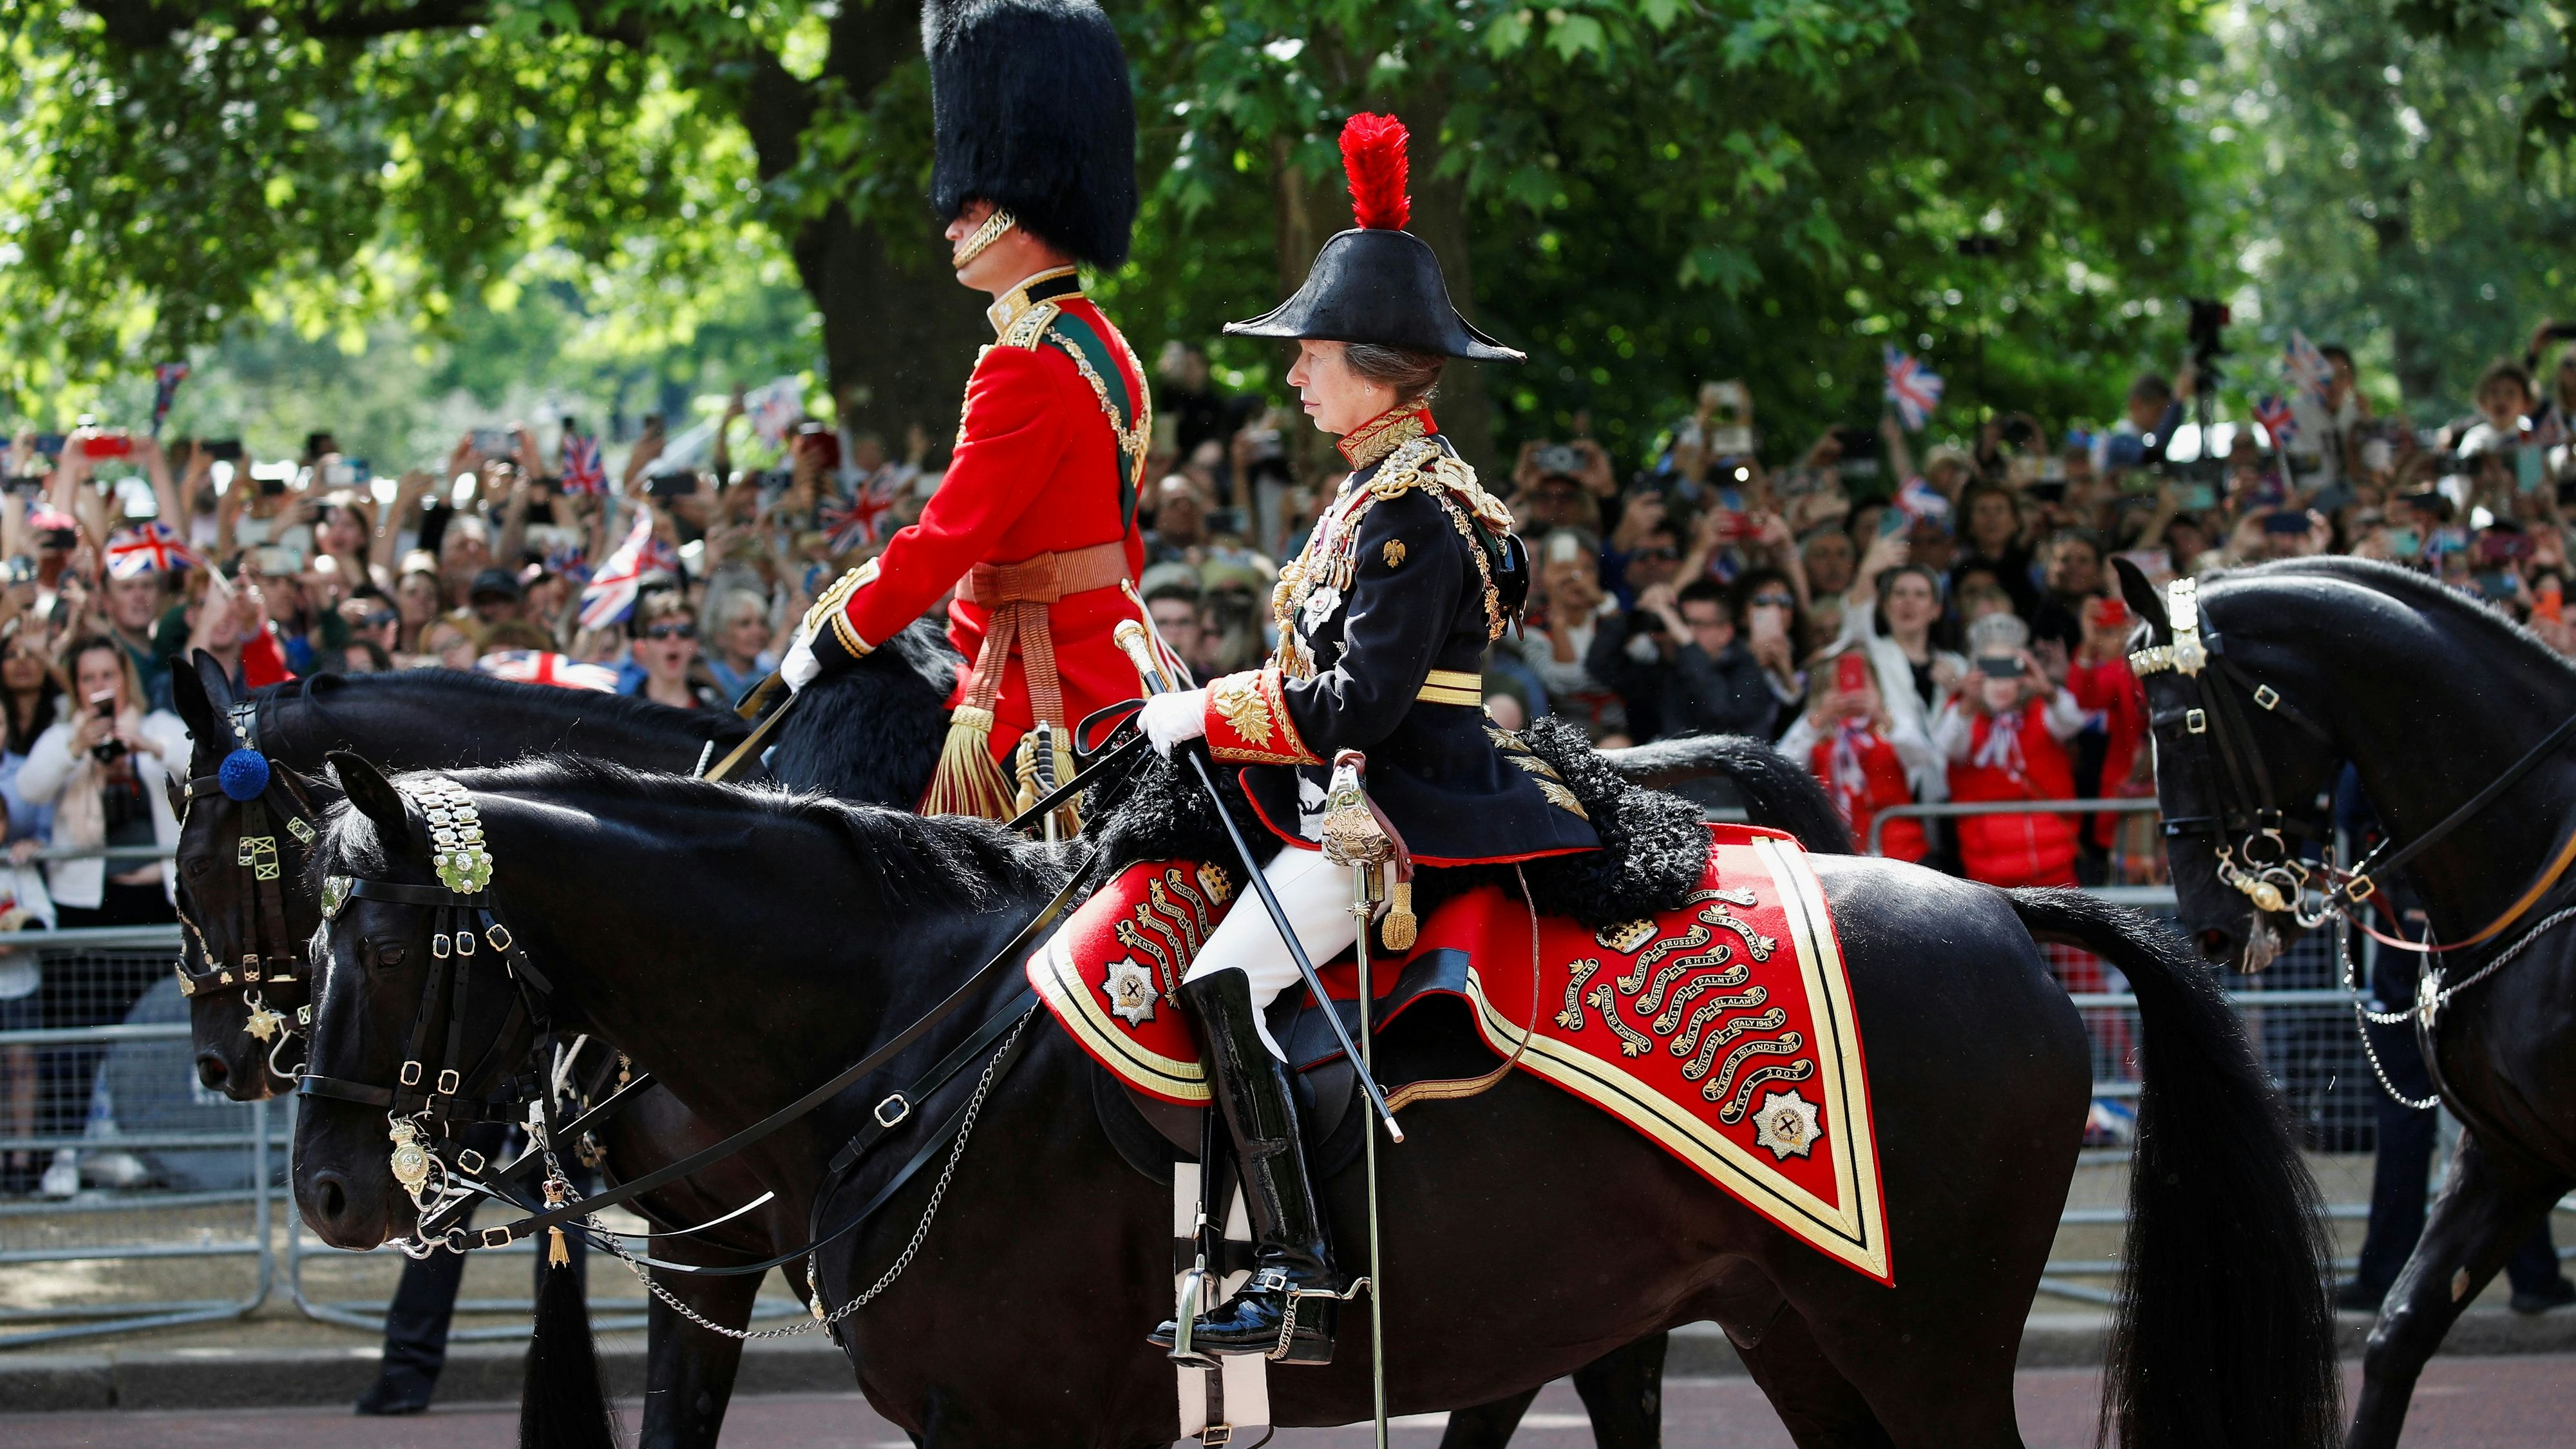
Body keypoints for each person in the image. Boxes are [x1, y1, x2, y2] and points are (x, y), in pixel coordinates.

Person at [1136, 111, 1586, 1364]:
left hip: (1391, 802)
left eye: (1312, 355)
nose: (1293, 375)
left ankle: (1293, 1273)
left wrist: (1201, 709)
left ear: (1374, 365)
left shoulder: (1409, 516)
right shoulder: (1378, 489)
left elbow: (1352, 708)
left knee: (1220, 981)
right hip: (1354, 783)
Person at [784, 0, 1150, 824]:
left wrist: (835, 636)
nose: (951, 223)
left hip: (1037, 687)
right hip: (1114, 656)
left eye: (972, 208)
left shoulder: (1025, 362)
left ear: (1026, 210)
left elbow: (947, 541)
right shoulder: (1103, 346)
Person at [18, 636, 189, 1196]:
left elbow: (193, 758)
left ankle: (146, 1147)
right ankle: (67, 1149)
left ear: (124, 679)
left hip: (154, 905)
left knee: (148, 1031)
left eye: (108, 676)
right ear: (75, 685)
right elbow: (30, 787)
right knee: (76, 1037)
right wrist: (75, 747)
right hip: (85, 908)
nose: (99, 688)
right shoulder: (60, 736)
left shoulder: (157, 723)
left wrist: (147, 747)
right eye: (88, 677)